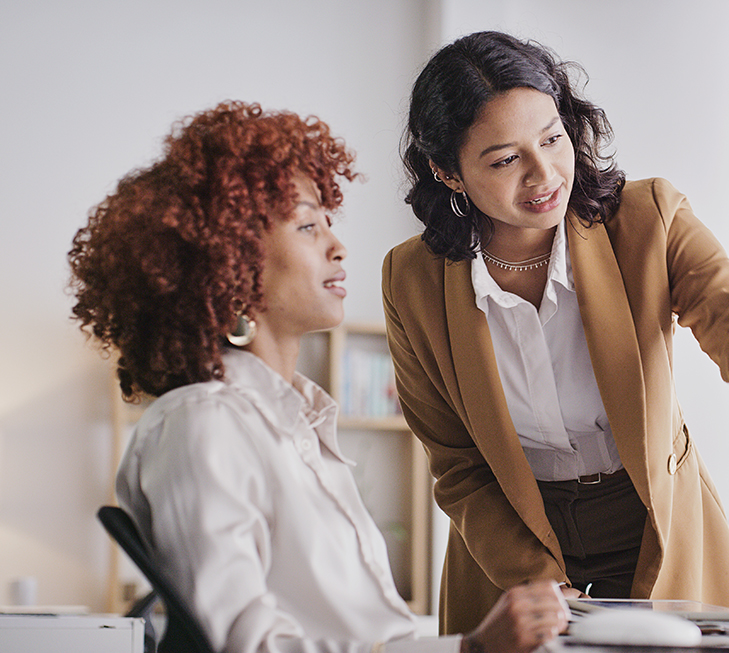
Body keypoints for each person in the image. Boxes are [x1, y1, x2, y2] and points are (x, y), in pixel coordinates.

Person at [382, 31, 729, 634]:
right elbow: (457, 463)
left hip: (651, 524)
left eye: (552, 139)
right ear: (448, 172)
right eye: (506, 159)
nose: (543, 175)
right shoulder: (412, 279)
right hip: (509, 541)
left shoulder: (648, 218)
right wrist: (531, 576)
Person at [68, 100, 567, 653]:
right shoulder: (203, 423)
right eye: (307, 225)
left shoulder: (292, 422)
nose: (338, 247)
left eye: (328, 223)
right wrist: (470, 649)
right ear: (228, 261)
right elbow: (246, 645)